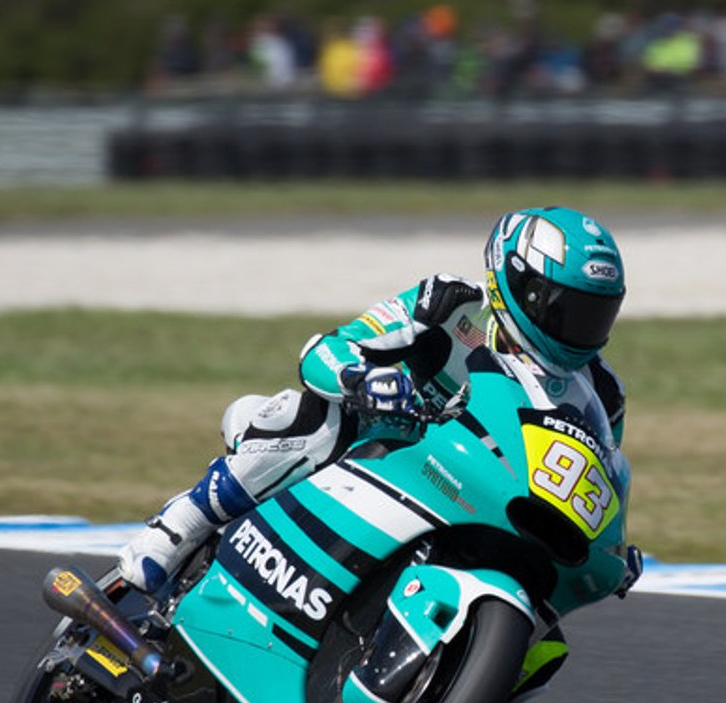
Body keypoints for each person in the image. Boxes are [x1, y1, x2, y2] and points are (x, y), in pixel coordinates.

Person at [115, 205, 639, 606]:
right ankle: (176, 527)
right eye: (564, 308)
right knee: (322, 418)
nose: (579, 328)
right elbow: (323, 353)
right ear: (518, 286)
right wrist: (363, 379)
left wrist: (611, 548)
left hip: (469, 495)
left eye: (595, 313)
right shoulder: (450, 304)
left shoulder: (601, 390)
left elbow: (593, 477)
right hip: (377, 450)